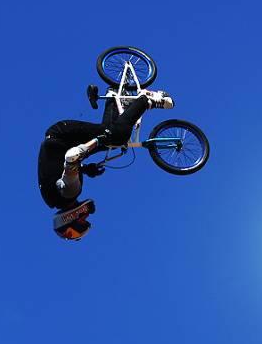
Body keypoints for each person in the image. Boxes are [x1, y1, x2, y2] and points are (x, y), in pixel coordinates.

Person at [37, 88, 174, 240]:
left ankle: (147, 99)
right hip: (60, 137)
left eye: (82, 219)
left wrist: (97, 142)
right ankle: (113, 97)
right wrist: (86, 169)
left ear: (71, 218)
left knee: (117, 136)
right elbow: (58, 167)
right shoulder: (53, 198)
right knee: (109, 136)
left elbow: (71, 157)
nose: (86, 215)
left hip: (64, 136)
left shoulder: (70, 192)